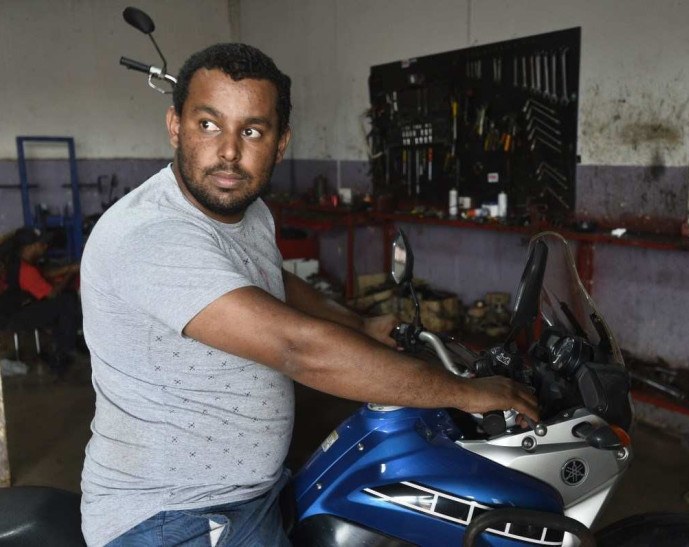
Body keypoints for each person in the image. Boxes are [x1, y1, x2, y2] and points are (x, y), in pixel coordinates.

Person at [80, 43, 538, 547]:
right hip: (176, 516)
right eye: (208, 125)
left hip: (247, 494)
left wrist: (358, 326)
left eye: (251, 130)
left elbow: (274, 280)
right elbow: (297, 348)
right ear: (175, 126)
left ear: (279, 143)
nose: (229, 151)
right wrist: (464, 393)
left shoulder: (246, 211)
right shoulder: (153, 234)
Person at [0, 227, 81, 375]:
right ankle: (63, 353)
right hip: (14, 317)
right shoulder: (25, 270)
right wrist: (70, 273)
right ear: (30, 247)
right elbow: (52, 294)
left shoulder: (17, 260)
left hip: (18, 308)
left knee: (66, 298)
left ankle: (66, 339)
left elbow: (43, 273)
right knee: (64, 302)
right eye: (41, 244)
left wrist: (67, 268)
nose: (45, 246)